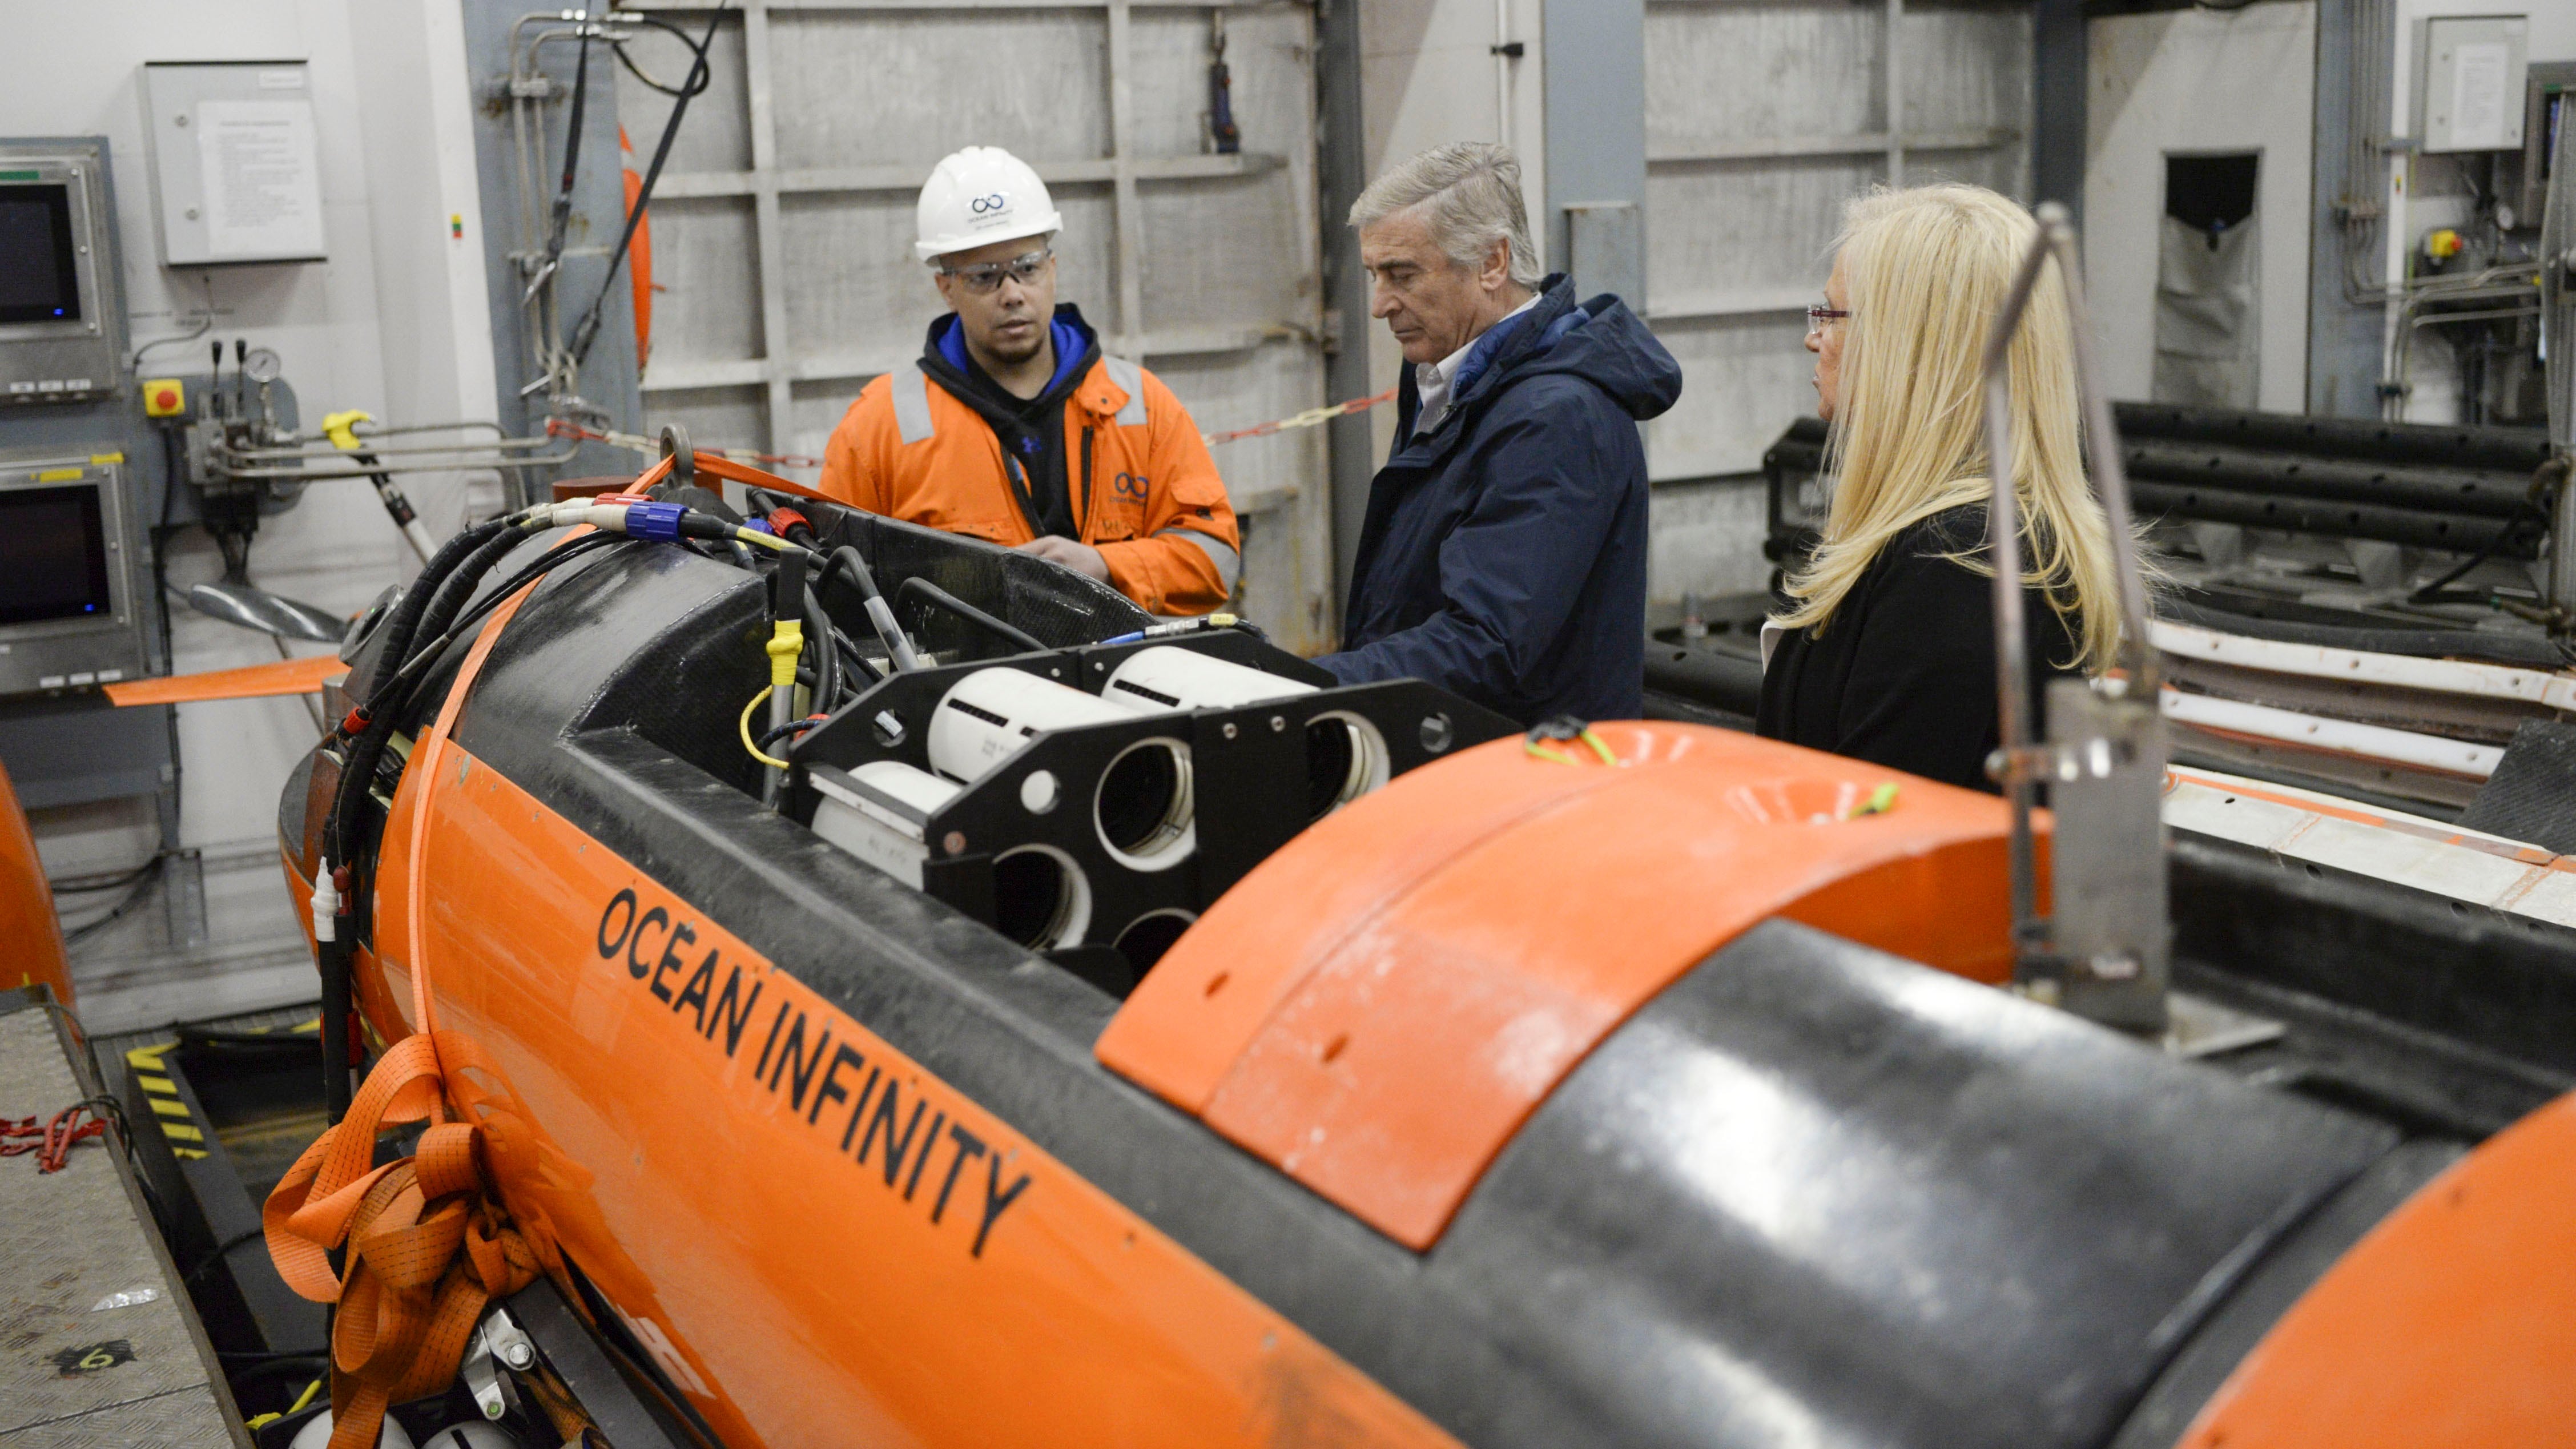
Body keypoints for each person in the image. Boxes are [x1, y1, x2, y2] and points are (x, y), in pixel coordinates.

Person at [1755, 184, 2130, 792]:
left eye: (1831, 315)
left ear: (1912, 345)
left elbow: (1877, 836)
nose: (1812, 337)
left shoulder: (1955, 562)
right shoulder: (1952, 540)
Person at [1315, 143, 1681, 724]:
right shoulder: (1444, 379)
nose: (1382, 304)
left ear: (1492, 263)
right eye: (1374, 276)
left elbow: (1489, 642)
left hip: (1532, 775)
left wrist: (1311, 685)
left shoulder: (1556, 420)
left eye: (1402, 275)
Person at [818, 147, 1241, 616]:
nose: (1013, 294)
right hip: (963, 684)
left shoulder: (1141, 404)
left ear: (1053, 269)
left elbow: (1215, 561)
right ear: (946, 288)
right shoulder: (880, 427)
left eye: (1027, 268)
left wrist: (1107, 564)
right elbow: (837, 590)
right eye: (985, 276)